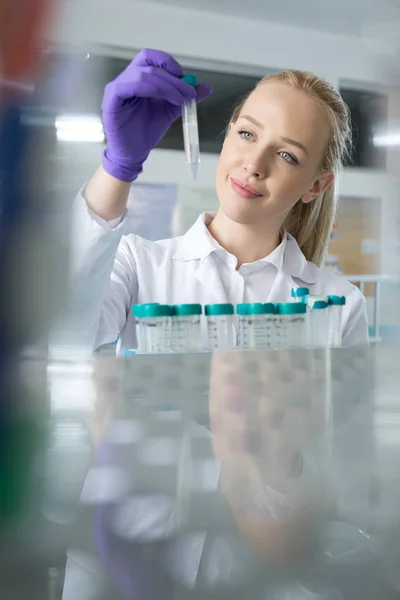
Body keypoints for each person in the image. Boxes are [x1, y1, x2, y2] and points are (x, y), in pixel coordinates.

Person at [68, 48, 368, 351]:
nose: (254, 165)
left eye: (287, 155)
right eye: (248, 134)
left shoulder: (341, 307)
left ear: (315, 187)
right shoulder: (139, 265)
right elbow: (68, 338)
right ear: (228, 134)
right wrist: (117, 167)